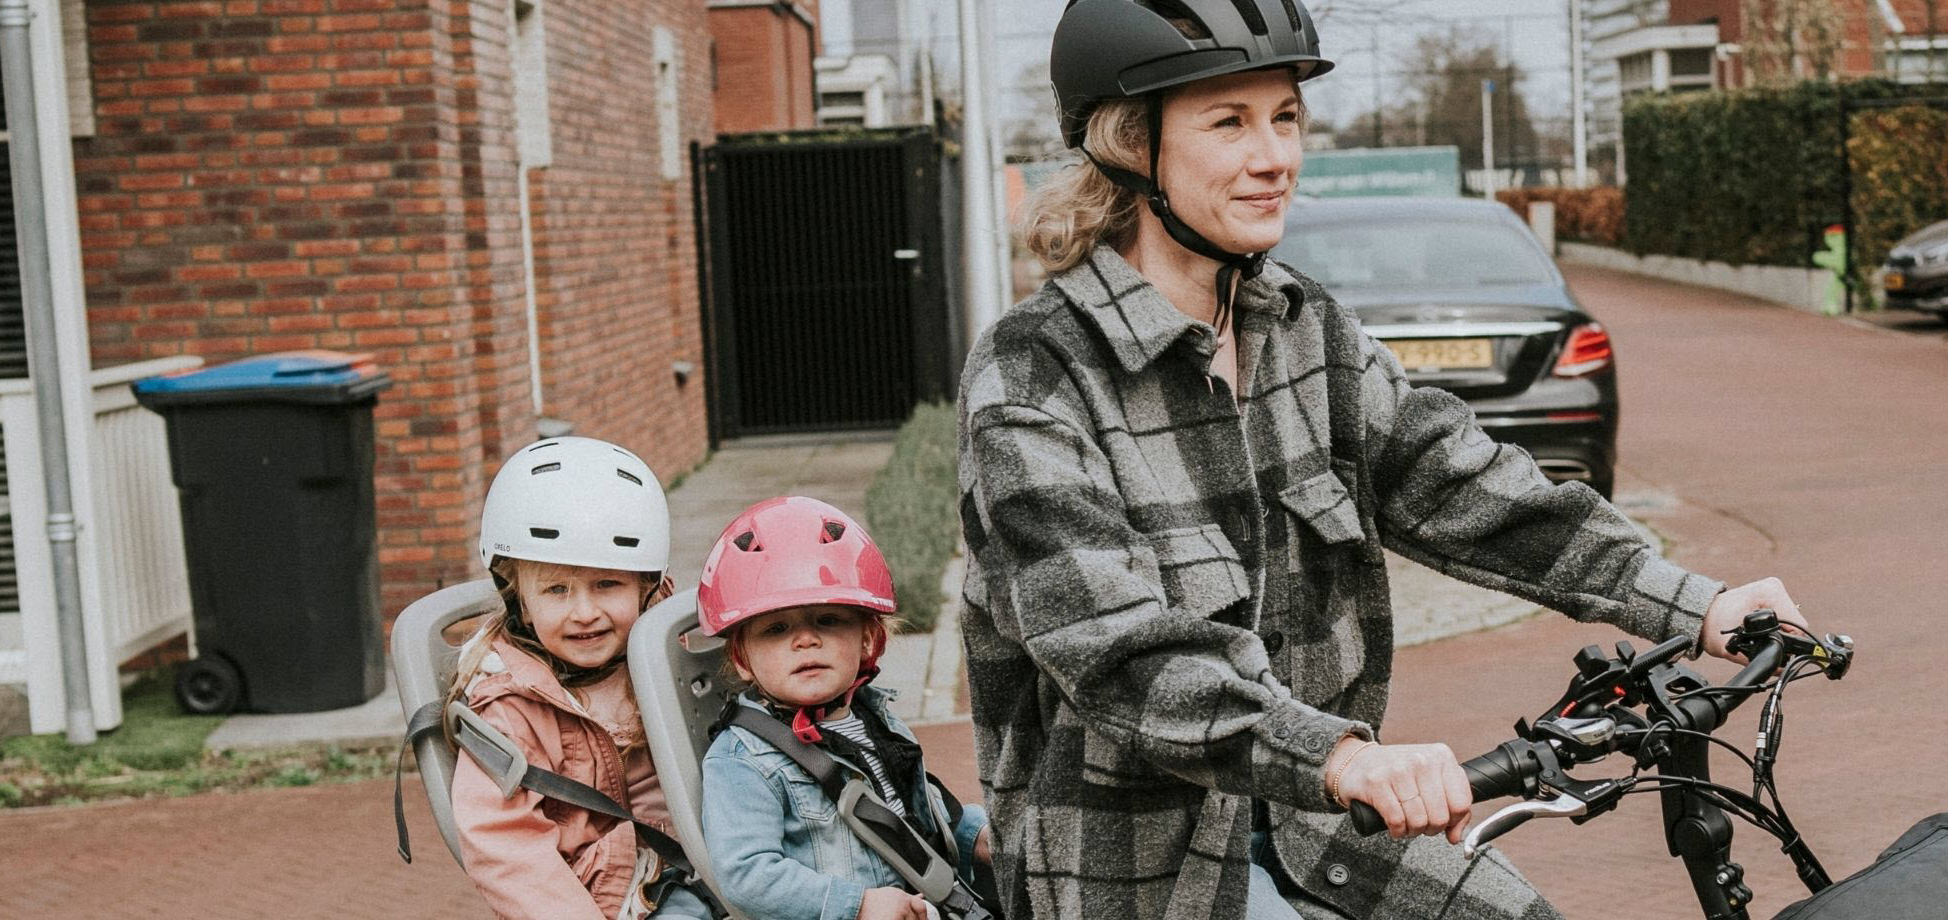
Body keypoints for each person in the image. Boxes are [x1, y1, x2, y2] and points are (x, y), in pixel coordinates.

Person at [954, 2, 1812, 917]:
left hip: (1319, 829)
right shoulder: (1034, 372)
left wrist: (1696, 601)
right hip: (1142, 869)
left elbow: (1464, 487)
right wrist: (1344, 757)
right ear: (1131, 147)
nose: (1275, 156)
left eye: (1285, 117)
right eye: (1229, 123)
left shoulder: (1303, 328)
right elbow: (1120, 651)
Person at [689, 496, 995, 920]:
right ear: (742, 659)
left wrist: (975, 835)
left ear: (869, 639)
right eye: (777, 629)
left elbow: (913, 817)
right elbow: (748, 875)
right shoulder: (743, 760)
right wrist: (858, 905)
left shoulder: (875, 719)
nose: (805, 640)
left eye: (827, 621)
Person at [446, 436, 711, 920]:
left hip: (702, 867)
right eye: (556, 589)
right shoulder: (508, 708)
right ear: (520, 599)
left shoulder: (666, 658)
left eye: (607, 584)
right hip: (597, 900)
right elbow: (506, 849)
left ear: (646, 586)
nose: (584, 612)